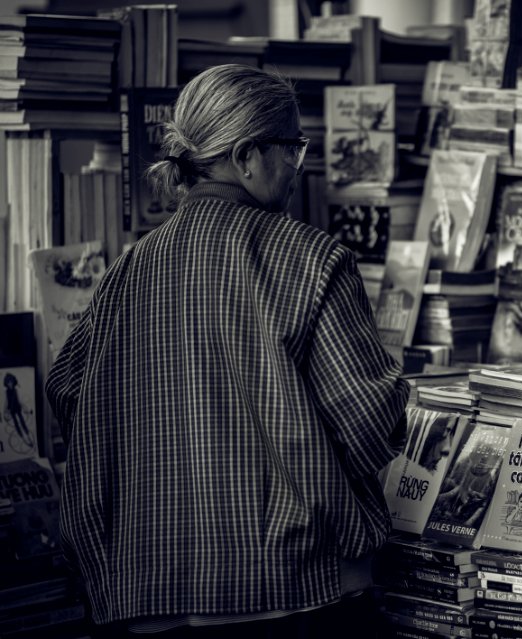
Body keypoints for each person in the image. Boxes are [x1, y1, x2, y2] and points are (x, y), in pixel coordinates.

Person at [45, 65, 409, 638]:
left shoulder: (127, 270)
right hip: (292, 592)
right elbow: (368, 426)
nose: (297, 165)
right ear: (246, 156)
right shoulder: (311, 258)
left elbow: (66, 389)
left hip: (146, 596)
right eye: (291, 147)